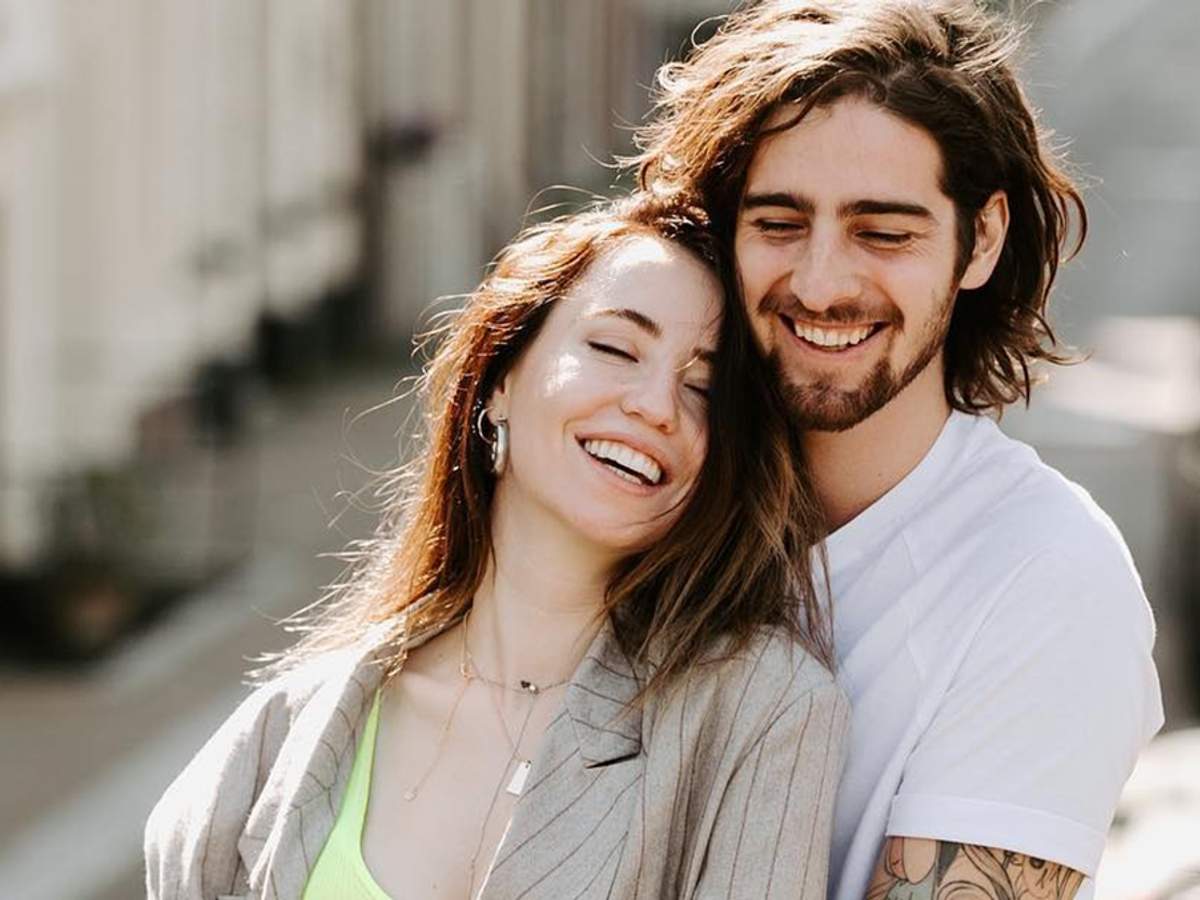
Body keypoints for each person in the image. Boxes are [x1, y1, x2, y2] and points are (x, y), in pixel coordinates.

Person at [143, 197, 849, 899]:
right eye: (614, 349)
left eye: (703, 389)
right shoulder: (280, 737)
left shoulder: (763, 714)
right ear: (500, 378)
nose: (657, 406)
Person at [629, 2, 1164, 899]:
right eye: (778, 223)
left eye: (883, 233)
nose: (821, 284)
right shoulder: (635, 492)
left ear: (980, 239)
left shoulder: (1045, 577)